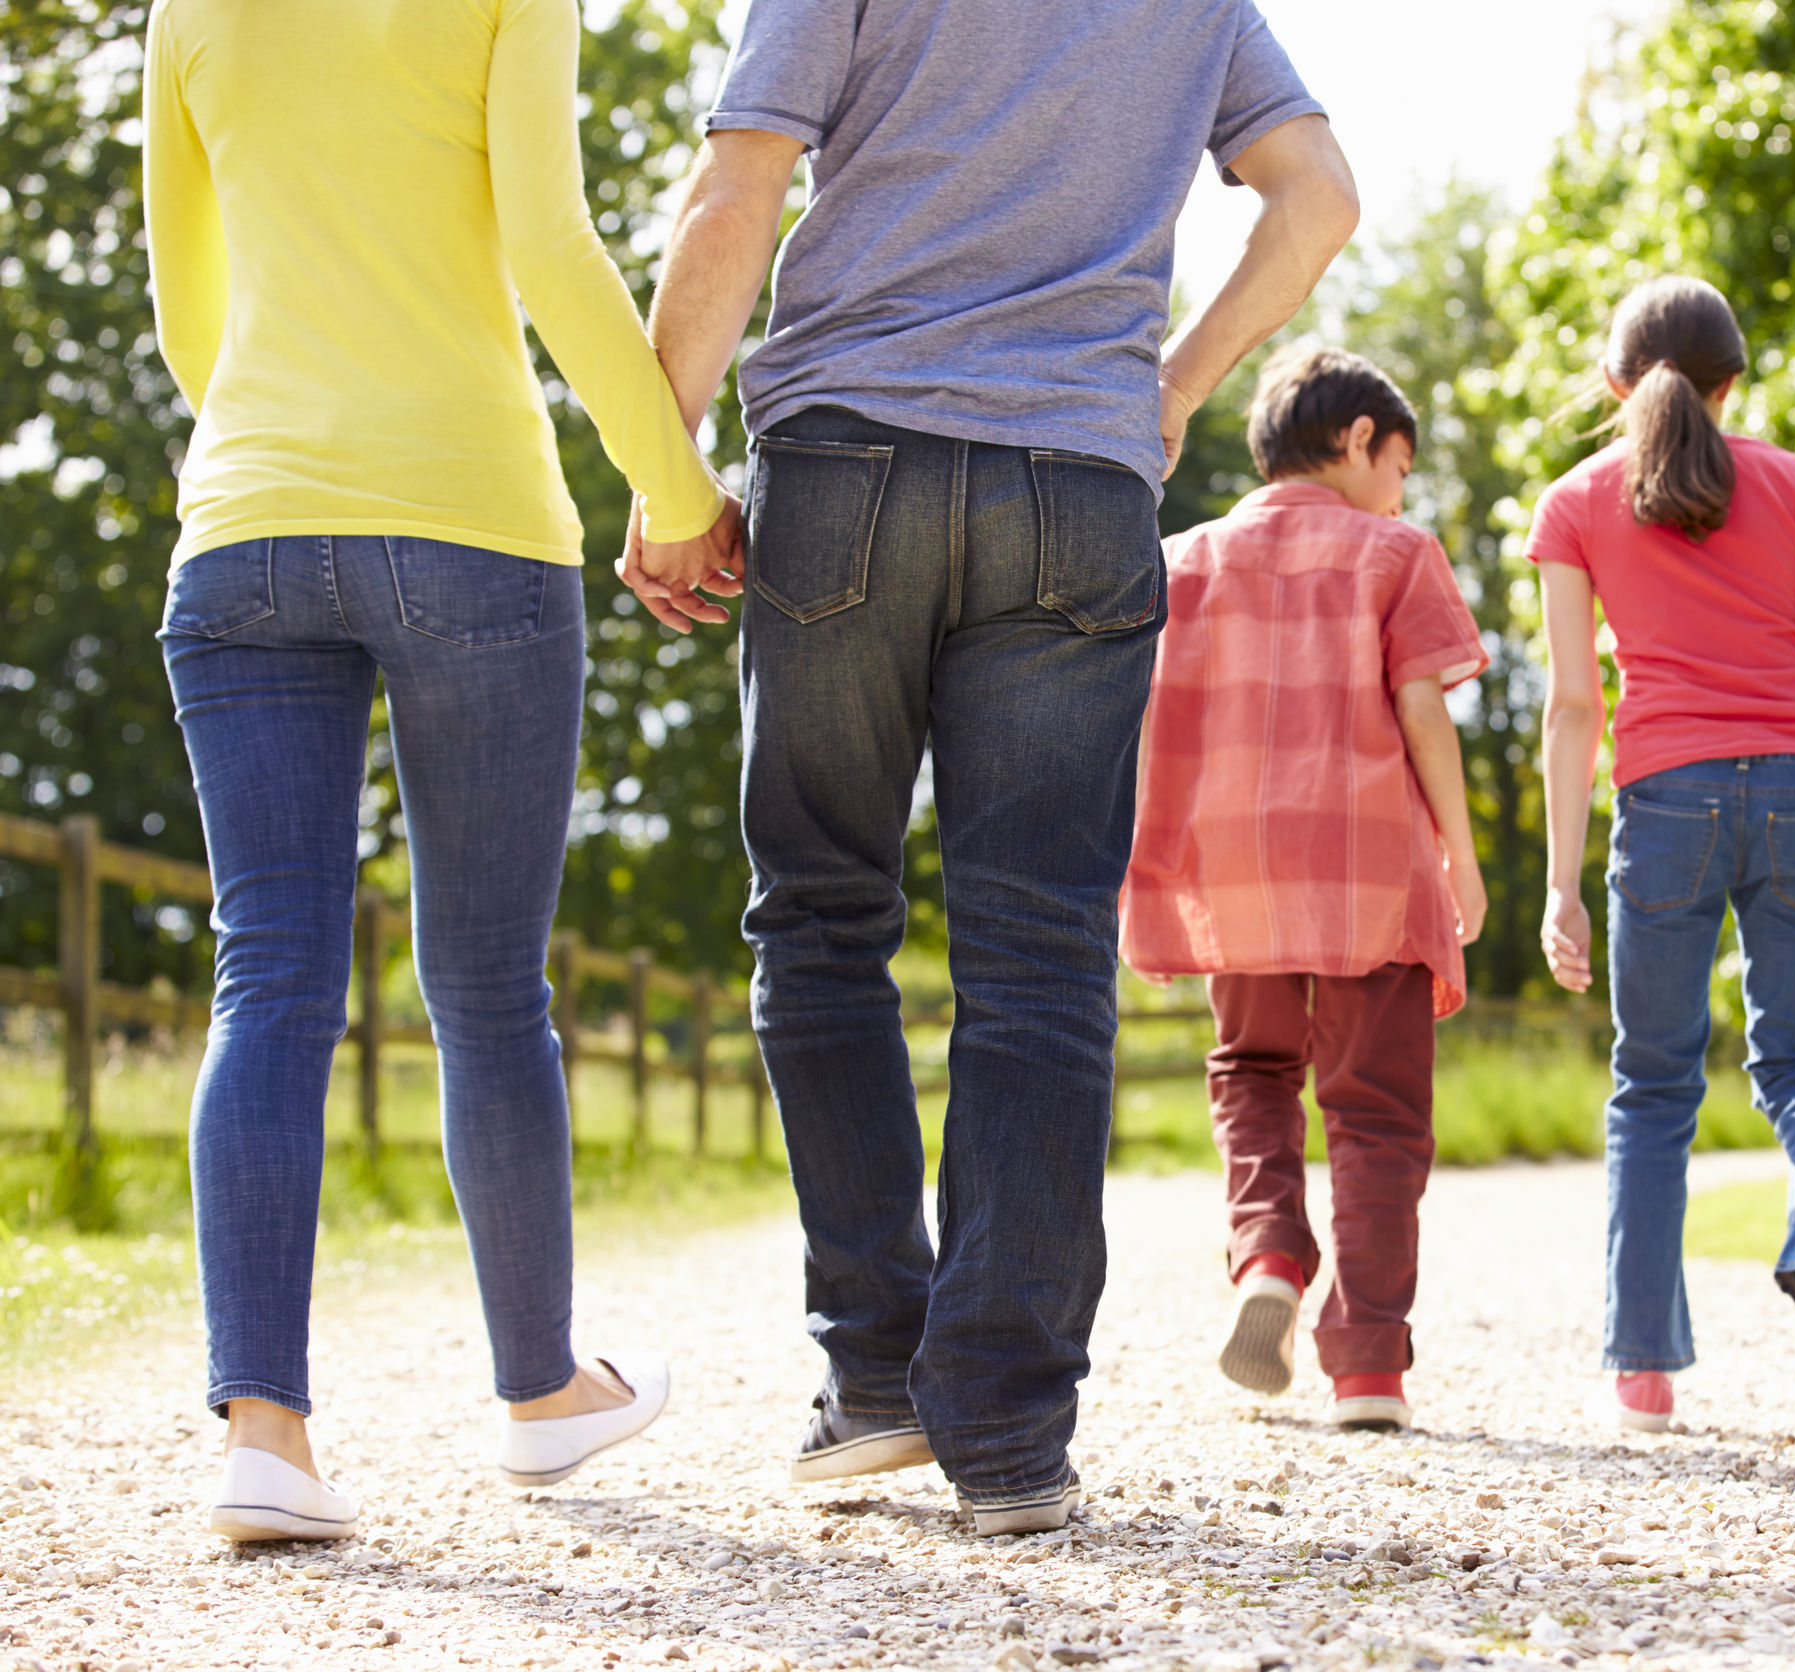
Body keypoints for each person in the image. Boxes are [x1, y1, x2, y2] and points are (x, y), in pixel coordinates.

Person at [619, 0, 1359, 1532]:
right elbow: (1321, 197)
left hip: (848, 472)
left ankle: (877, 1373)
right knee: (1038, 949)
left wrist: (662, 458)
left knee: (822, 919)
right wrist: (1174, 385)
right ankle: (1012, 1433)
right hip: (1079, 485)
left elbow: (737, 185)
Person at [142, 0, 741, 1540]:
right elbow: (552, 244)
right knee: (486, 986)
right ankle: (542, 1396)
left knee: (267, 975)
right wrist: (673, 484)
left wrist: (280, 452)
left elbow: (183, 310)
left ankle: (264, 1437)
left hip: (249, 522)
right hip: (471, 516)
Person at [1528, 276, 1795, 1431]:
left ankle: (1643, 1368)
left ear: (1613, 385)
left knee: (1652, 1087)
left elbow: (1569, 707)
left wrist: (1559, 883)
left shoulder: (1574, 502)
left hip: (1665, 803)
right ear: (1733, 381)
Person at [1120, 348, 1488, 1433]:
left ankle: (1268, 1253)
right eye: (1401, 463)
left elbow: (1142, 720)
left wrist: (1145, 853)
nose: (1403, 490)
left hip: (1231, 868)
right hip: (1366, 861)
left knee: (1254, 1069)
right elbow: (1424, 710)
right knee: (1375, 1109)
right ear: (1358, 440)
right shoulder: (1395, 554)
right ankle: (1368, 1365)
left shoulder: (1183, 559)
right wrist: (1459, 853)